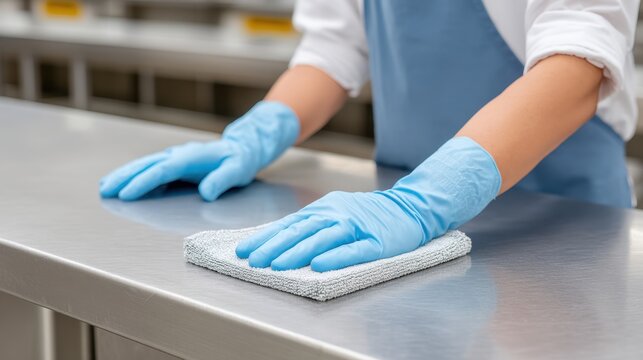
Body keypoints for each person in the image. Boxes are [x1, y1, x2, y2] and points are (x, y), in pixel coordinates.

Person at [100, 1, 639, 272]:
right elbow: (333, 49)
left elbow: (577, 61)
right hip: (400, 236)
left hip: (560, 235)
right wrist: (256, 134)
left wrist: (426, 199)